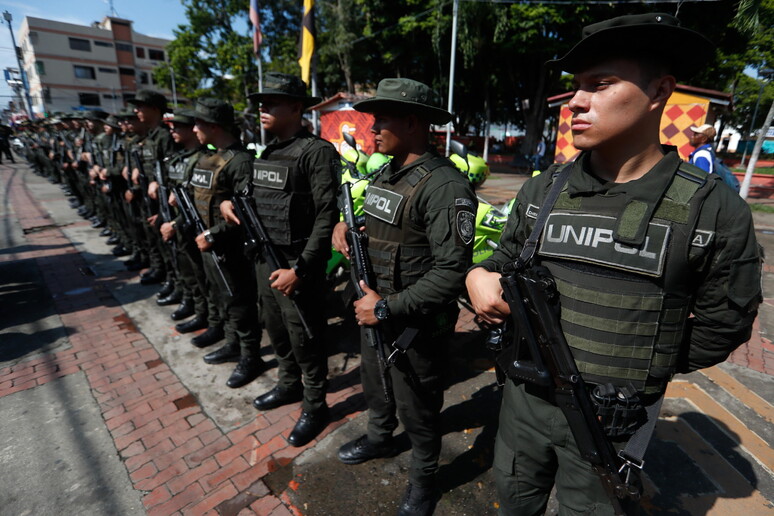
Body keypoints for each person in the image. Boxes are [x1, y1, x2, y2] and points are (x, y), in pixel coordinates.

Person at [465, 13, 762, 515]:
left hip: (610, 423)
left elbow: (722, 325)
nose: (576, 102)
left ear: (658, 91)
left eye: (599, 85)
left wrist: (636, 369)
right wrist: (478, 274)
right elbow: (505, 257)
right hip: (523, 404)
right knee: (514, 500)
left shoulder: (711, 208)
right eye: (576, 87)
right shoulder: (545, 187)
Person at [331, 78, 477, 516]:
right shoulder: (385, 172)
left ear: (413, 123)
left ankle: (423, 479)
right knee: (376, 385)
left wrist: (383, 308)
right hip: (373, 310)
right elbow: (377, 226)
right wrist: (345, 227)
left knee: (419, 409)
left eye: (382, 121)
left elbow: (452, 272)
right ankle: (378, 437)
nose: (371, 130)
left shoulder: (445, 187)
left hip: (412, 324)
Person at [221, 72, 339, 447]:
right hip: (265, 259)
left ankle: (315, 404)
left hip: (296, 264)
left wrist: (301, 270)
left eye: (271, 102)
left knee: (306, 337)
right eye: (261, 103)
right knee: (277, 329)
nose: (262, 108)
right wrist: (227, 202)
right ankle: (288, 384)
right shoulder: (267, 152)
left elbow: (327, 216)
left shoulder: (316, 152)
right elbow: (249, 195)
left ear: (296, 108)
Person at [185, 97, 267, 389]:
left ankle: (250, 355)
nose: (194, 129)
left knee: (240, 301)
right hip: (209, 244)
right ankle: (233, 342)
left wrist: (213, 235)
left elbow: (247, 212)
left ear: (214, 126)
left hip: (230, 248)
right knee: (224, 299)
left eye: (198, 123)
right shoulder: (209, 157)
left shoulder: (241, 161)